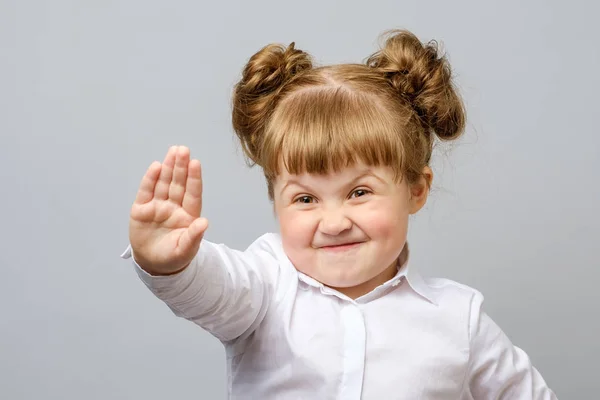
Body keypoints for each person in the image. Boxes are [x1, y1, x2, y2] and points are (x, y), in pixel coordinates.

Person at [121, 29, 557, 399]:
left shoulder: (457, 317)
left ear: (416, 190)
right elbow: (213, 288)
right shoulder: (263, 287)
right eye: (305, 199)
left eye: (359, 192)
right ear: (276, 200)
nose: (333, 222)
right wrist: (170, 264)